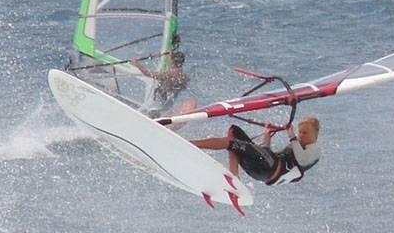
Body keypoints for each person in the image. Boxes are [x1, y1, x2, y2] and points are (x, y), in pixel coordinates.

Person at [191, 117, 321, 185]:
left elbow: (301, 159)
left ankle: (191, 144)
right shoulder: (297, 145)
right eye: (300, 132)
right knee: (234, 132)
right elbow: (267, 153)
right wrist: (267, 136)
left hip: (269, 169)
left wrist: (292, 135)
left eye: (305, 133)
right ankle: (234, 177)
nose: (301, 135)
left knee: (231, 143)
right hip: (263, 168)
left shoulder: (315, 151)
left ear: (316, 134)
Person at [130, 50, 197, 117]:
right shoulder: (185, 78)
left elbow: (147, 73)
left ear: (172, 61)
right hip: (166, 108)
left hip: (154, 107)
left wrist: (137, 64)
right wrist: (169, 56)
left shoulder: (168, 75)